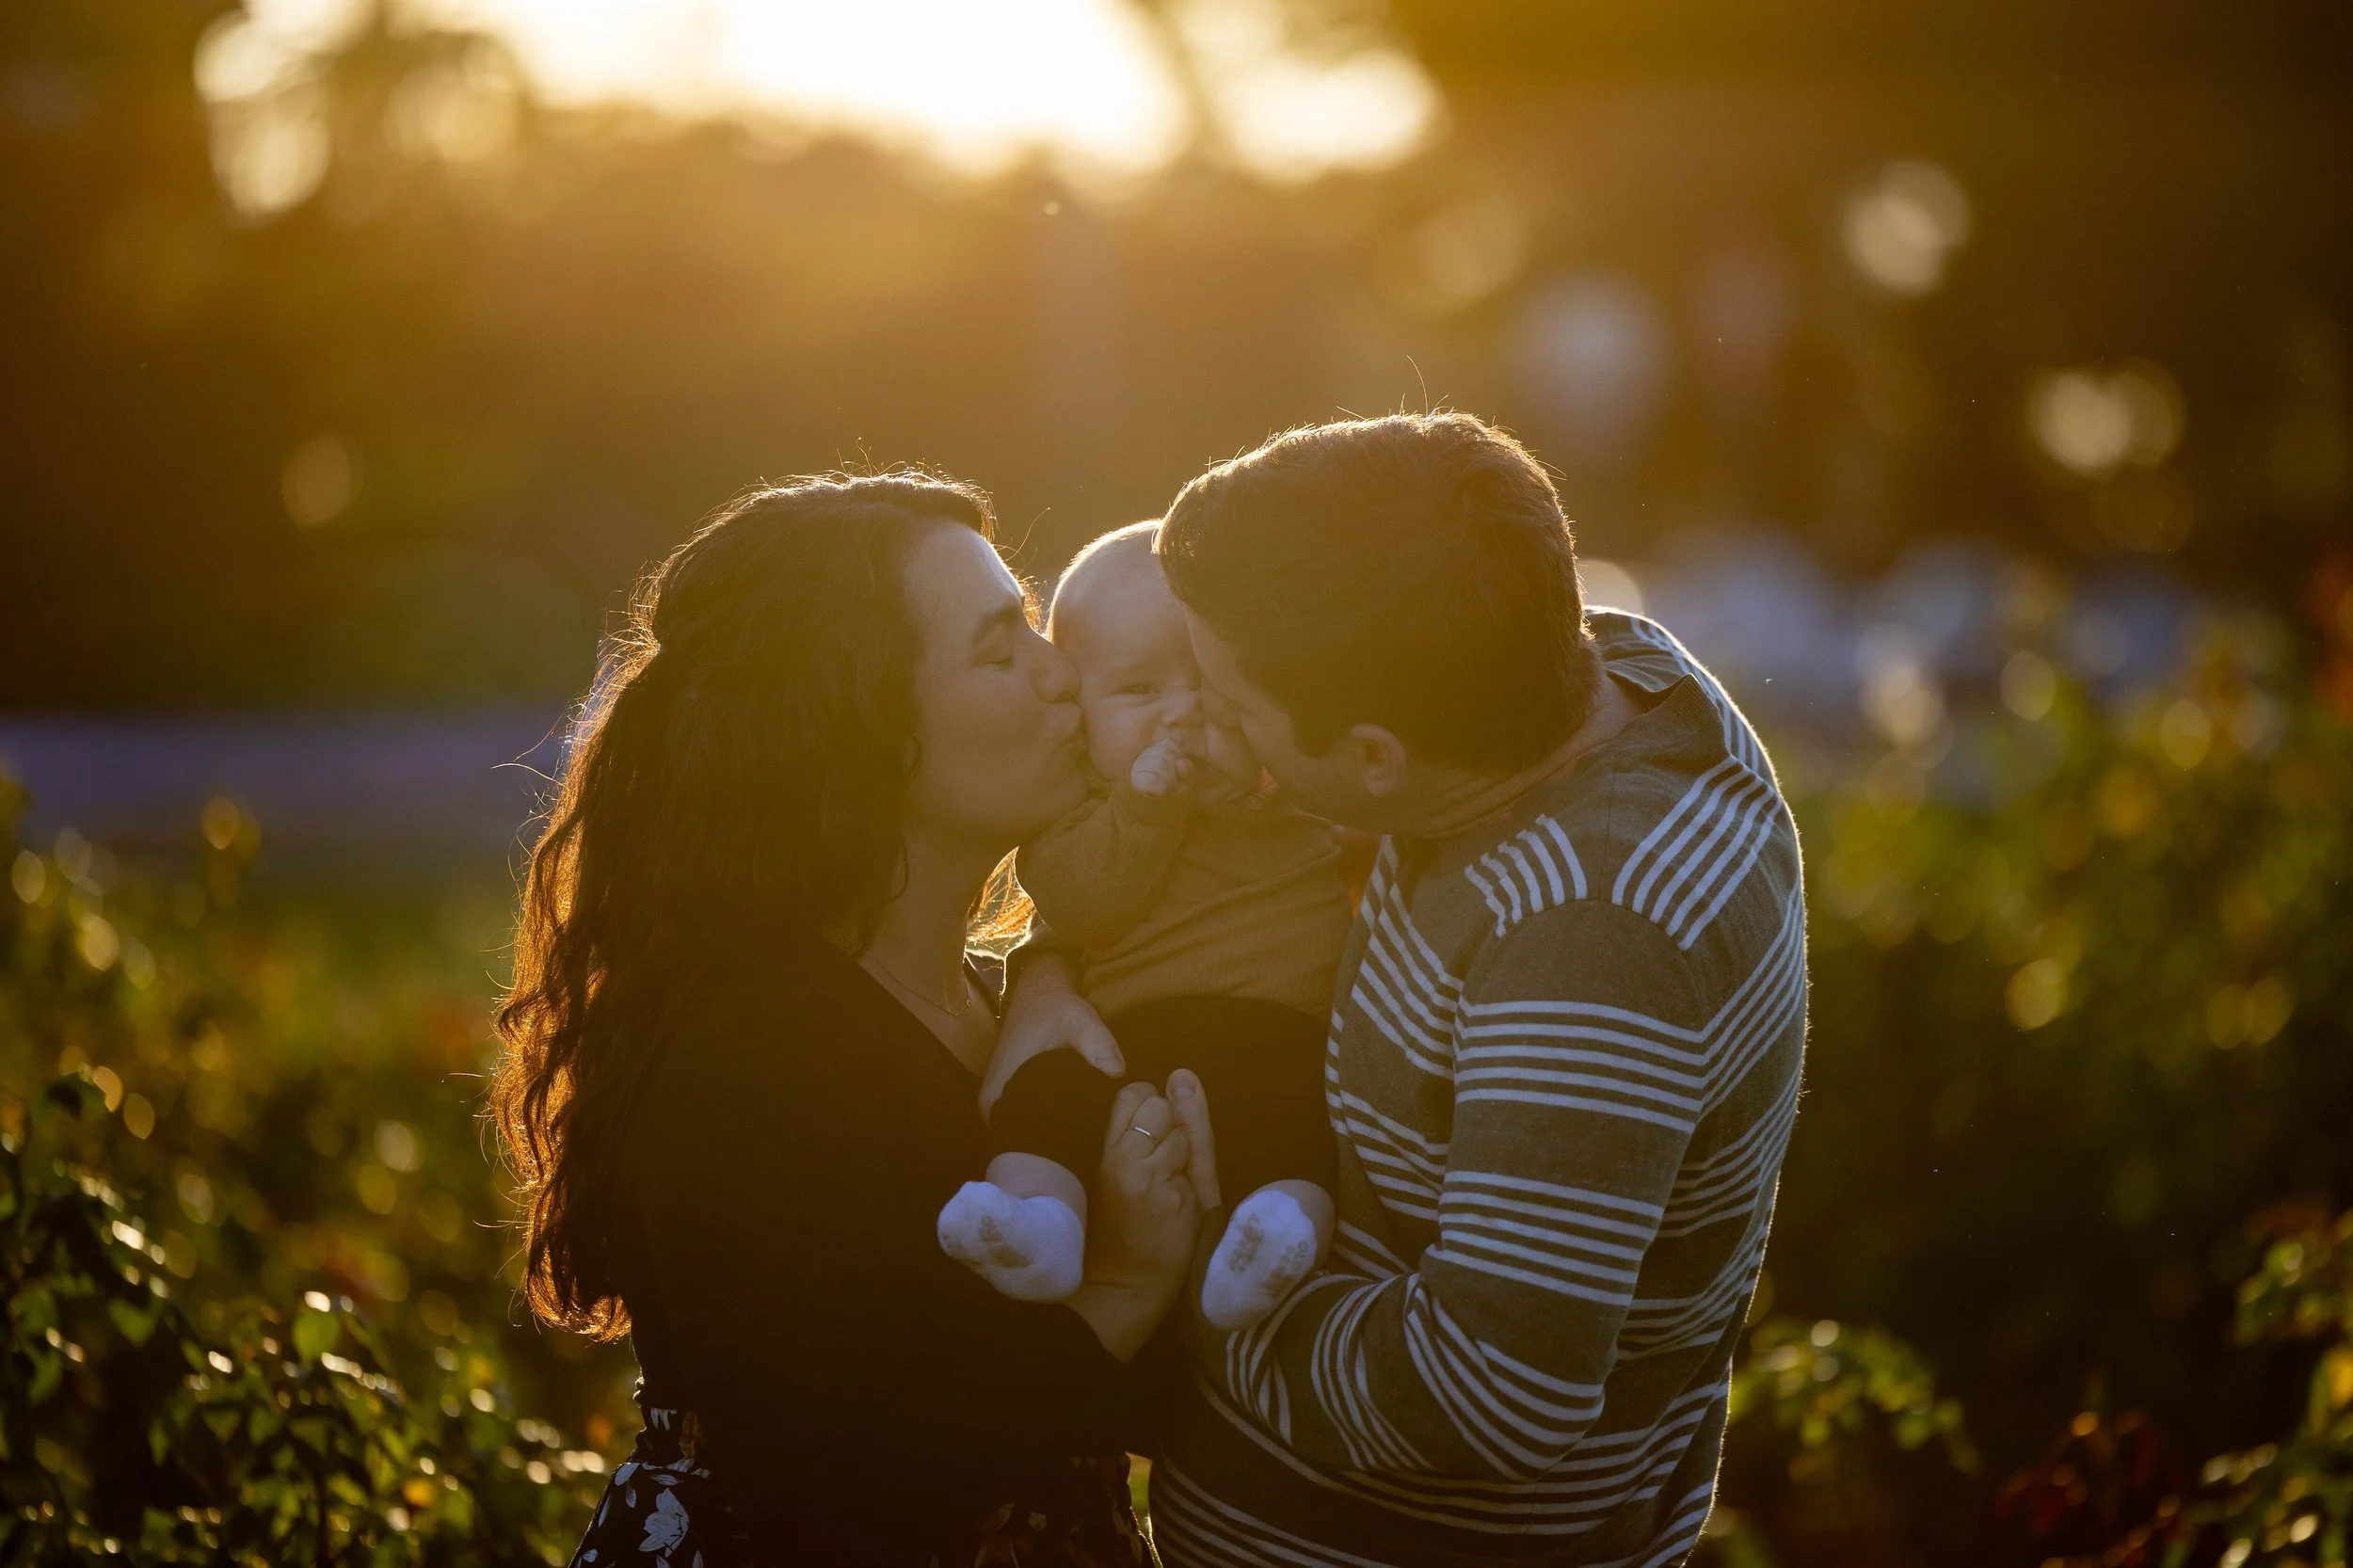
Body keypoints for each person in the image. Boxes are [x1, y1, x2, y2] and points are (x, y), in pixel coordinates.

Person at [1015, 413, 1807, 1567]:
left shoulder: (1588, 937)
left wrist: (1171, 1280)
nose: (1213, 731)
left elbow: (1492, 1394)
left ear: (1376, 759)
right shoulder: (1598, 669)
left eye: (1235, 708)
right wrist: (1045, 967)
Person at [488, 472, 1219, 1568]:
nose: (1060, 674)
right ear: (857, 721)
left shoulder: (1020, 1000)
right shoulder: (749, 1051)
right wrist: (1124, 1284)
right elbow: (844, 1486)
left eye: (1030, 626)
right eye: (995, 647)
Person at [935, 520, 1353, 1332]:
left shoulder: (1286, 786)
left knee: (1302, 1131)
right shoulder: (1075, 818)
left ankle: (1277, 1236)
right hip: (1123, 1045)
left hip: (1283, 1034)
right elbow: (1086, 906)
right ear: (1080, 711)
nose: (1185, 713)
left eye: (1208, 681)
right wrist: (1145, 808)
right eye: (1140, 691)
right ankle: (1038, 1221)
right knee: (1046, 1095)